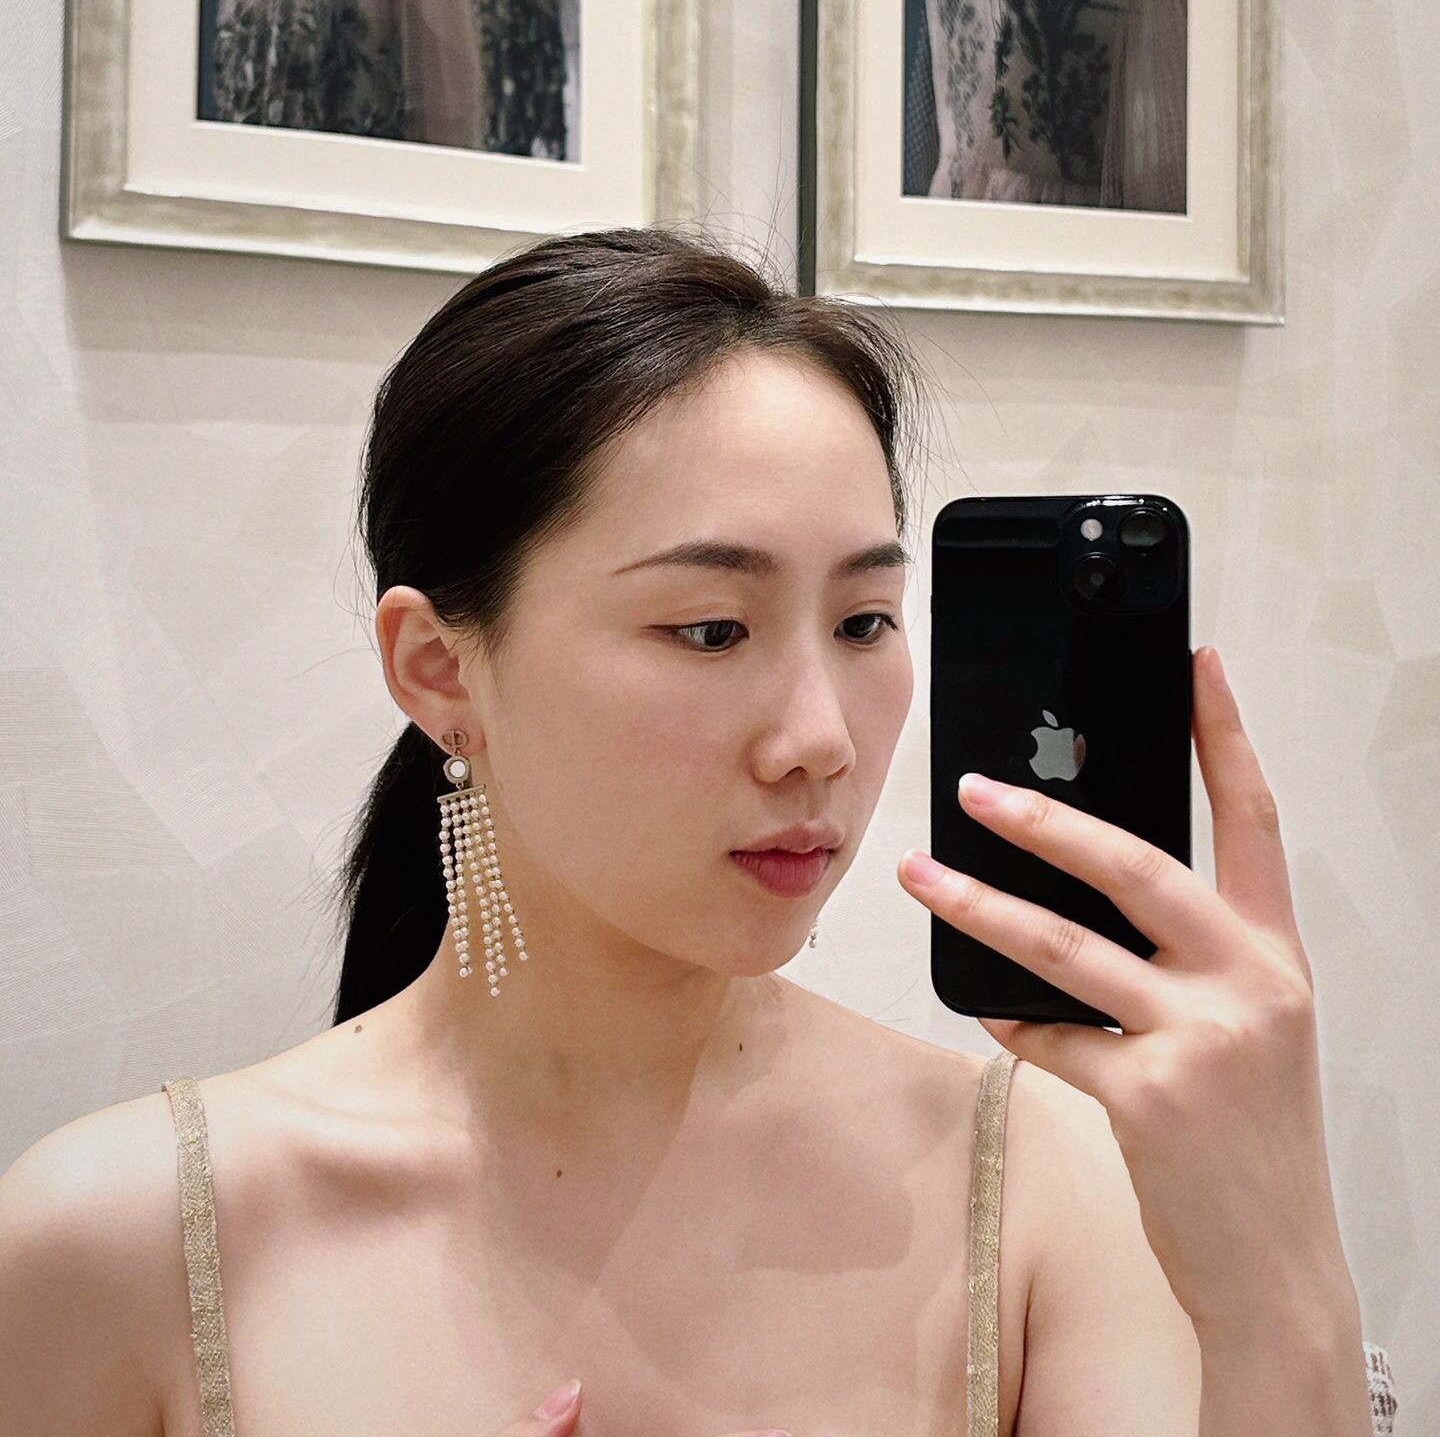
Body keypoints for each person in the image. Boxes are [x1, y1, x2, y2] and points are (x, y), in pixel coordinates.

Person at [0, 227, 1387, 1436]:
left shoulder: (1043, 1186)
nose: (821, 738)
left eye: (865, 621)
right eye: (711, 629)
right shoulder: (125, 1240)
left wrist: (1282, 1273)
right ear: (438, 669)